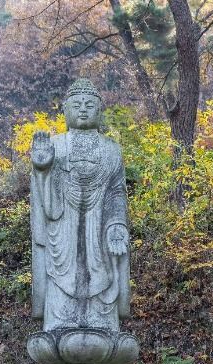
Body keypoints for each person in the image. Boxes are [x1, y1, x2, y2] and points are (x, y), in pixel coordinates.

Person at [29, 79, 131, 332]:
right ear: (65, 110)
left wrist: (117, 225)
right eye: (76, 105)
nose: (83, 109)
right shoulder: (56, 144)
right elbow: (46, 202)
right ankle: (60, 325)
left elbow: (116, 193)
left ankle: (102, 326)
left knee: (103, 290)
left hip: (99, 236)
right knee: (58, 321)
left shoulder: (111, 149)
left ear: (99, 110)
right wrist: (42, 169)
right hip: (62, 236)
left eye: (89, 105)